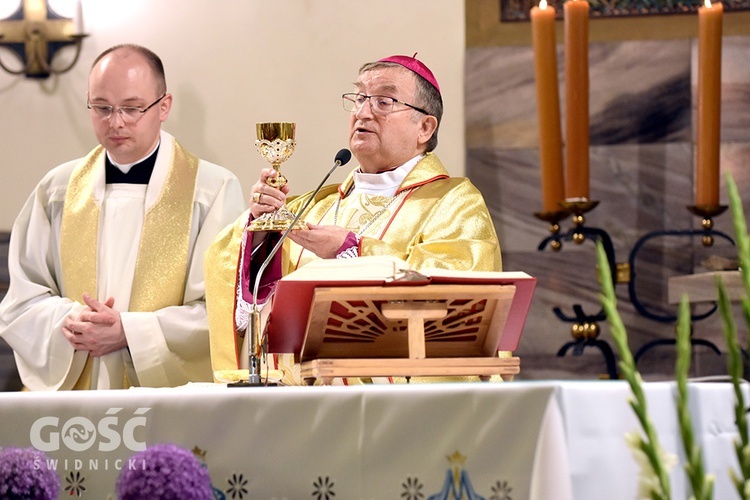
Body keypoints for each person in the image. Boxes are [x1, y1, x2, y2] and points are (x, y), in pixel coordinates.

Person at [205, 54, 501, 382]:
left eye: (384, 101)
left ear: (425, 127)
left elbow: (455, 298)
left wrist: (353, 251)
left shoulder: (455, 202)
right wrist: (263, 230)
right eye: (359, 98)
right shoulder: (316, 205)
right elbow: (250, 295)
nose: (362, 112)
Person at [0, 44, 245, 390]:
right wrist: (72, 321)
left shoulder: (211, 191)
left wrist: (128, 332)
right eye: (101, 108)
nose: (115, 122)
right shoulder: (56, 191)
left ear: (164, 107)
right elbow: (23, 298)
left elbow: (222, 308)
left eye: (131, 108)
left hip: (166, 407)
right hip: (73, 406)